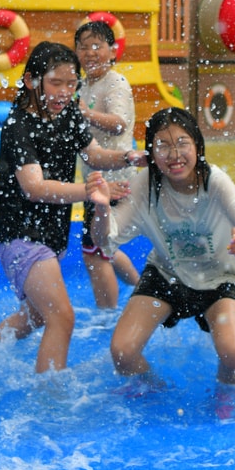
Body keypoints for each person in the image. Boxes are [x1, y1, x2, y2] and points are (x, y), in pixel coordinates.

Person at [0, 41, 145, 373]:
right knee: (62, 316)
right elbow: (33, 187)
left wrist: (129, 156)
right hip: (21, 234)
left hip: (51, 235)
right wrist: (88, 191)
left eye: (72, 83)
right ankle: (49, 397)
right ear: (31, 81)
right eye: (55, 83)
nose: (64, 92)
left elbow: (93, 155)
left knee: (36, 316)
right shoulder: (17, 126)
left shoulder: (70, 114)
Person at [87, 107, 235, 385]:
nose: (174, 155)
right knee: (122, 351)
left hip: (219, 279)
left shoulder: (213, 180)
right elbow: (105, 239)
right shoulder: (146, 183)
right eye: (163, 146)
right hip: (167, 274)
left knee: (233, 353)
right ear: (151, 153)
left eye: (182, 143)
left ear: (197, 144)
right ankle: (154, 391)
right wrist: (101, 209)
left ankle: (227, 407)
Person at [75, 18, 142, 309]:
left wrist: (84, 115)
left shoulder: (115, 83)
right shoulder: (81, 84)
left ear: (113, 51)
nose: (90, 53)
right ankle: (142, 290)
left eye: (96, 46)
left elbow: (119, 124)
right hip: (95, 178)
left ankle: (107, 317)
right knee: (106, 246)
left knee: (95, 250)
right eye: (83, 47)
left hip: (116, 179)